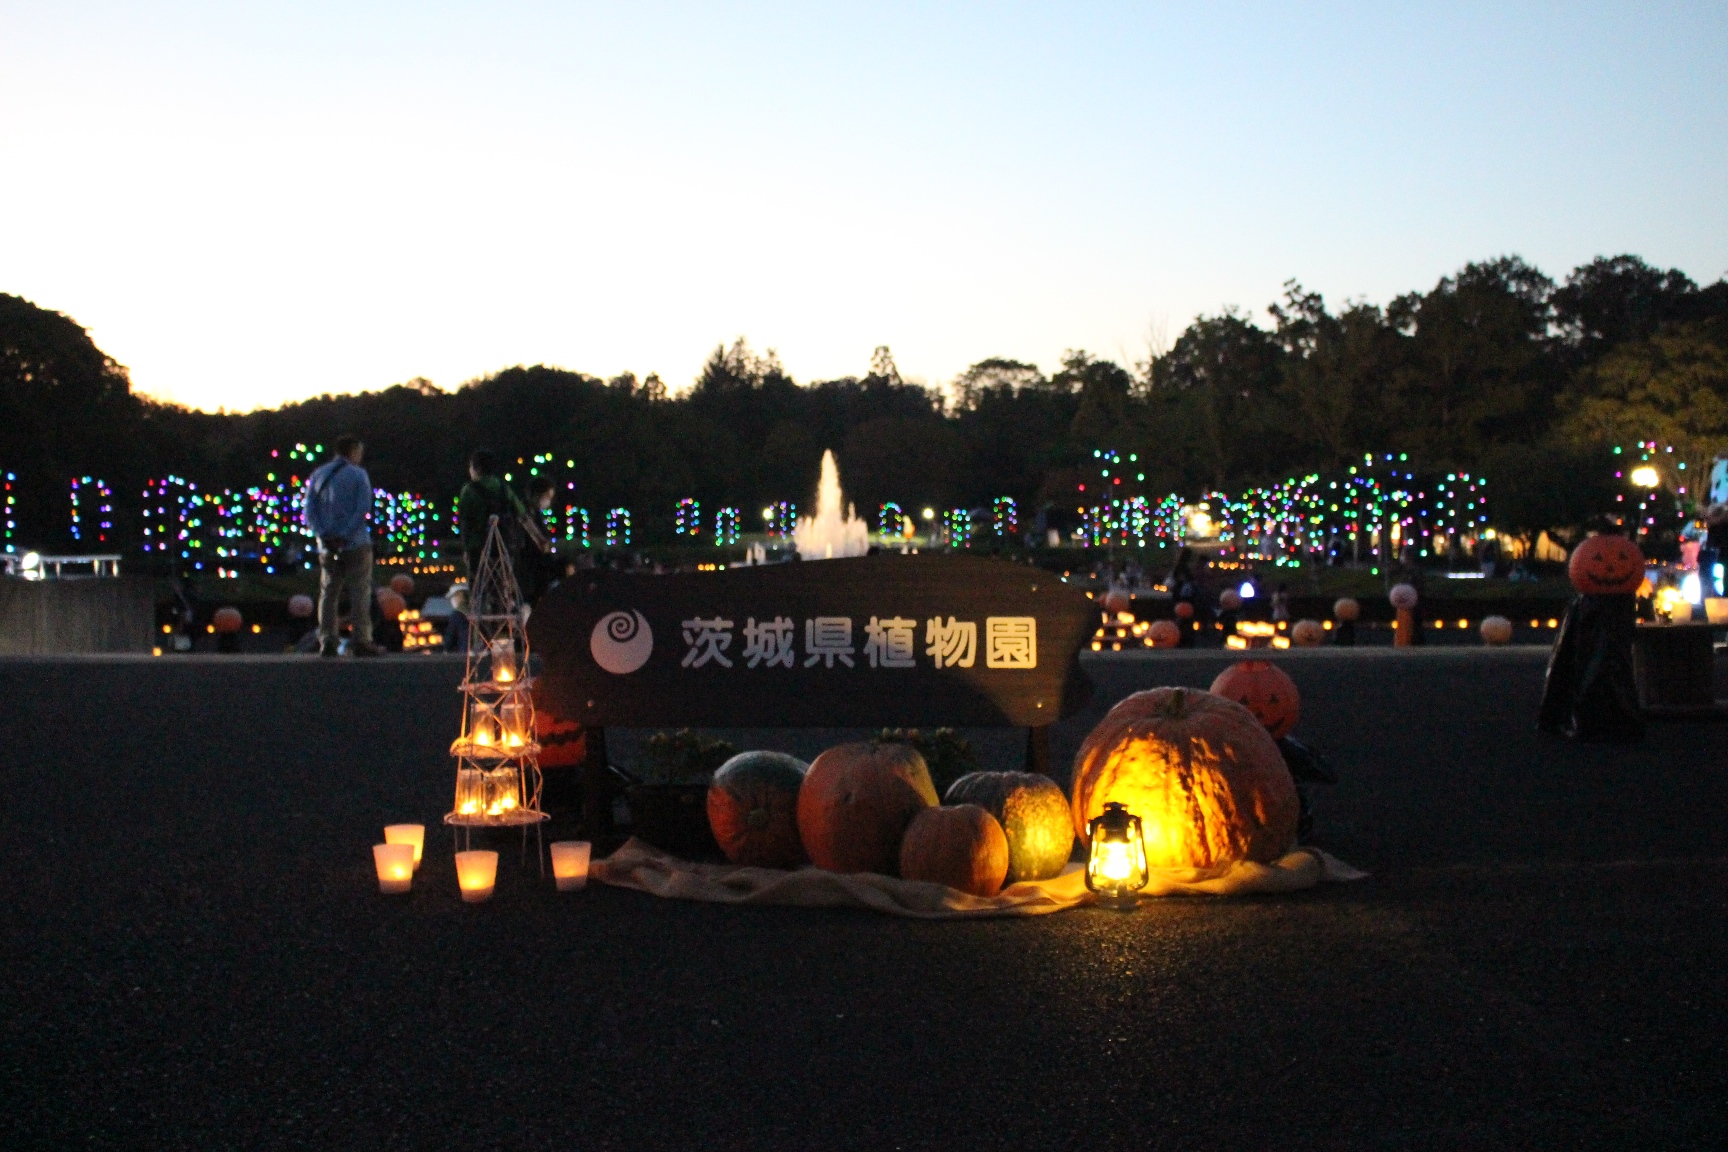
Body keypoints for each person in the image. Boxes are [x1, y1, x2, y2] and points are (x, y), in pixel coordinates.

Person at [302, 434, 383, 658]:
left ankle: (327, 639)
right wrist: (345, 534)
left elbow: (309, 511)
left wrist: (325, 534)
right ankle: (361, 640)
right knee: (360, 591)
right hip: (356, 542)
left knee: (328, 592)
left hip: (327, 545)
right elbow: (363, 508)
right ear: (353, 450)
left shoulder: (318, 475)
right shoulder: (358, 474)